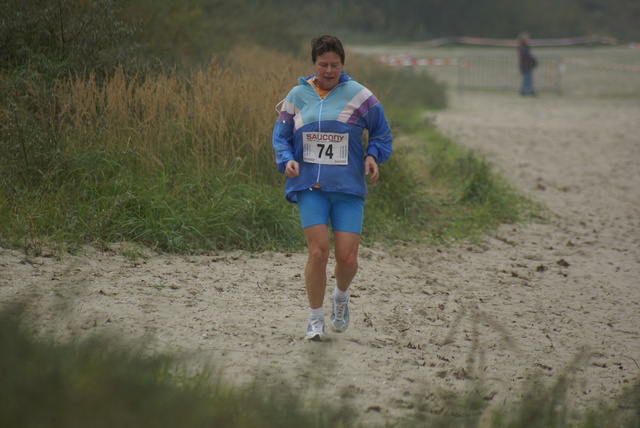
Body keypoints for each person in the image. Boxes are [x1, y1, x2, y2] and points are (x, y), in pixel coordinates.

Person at [272, 35, 393, 341]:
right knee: (317, 252)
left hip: (348, 188)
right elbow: (280, 138)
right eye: (323, 64)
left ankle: (340, 296)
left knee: (347, 258)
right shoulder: (297, 95)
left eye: (334, 65)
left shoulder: (360, 95)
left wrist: (372, 156)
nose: (329, 70)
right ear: (313, 65)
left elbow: (381, 134)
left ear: (343, 64)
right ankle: (315, 320)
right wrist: (286, 160)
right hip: (309, 186)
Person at [517, 32, 537, 96]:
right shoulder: (522, 46)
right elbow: (525, 54)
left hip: (528, 64)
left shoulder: (525, 46)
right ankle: (525, 91)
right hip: (525, 64)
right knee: (526, 79)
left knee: (528, 78)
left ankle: (529, 91)